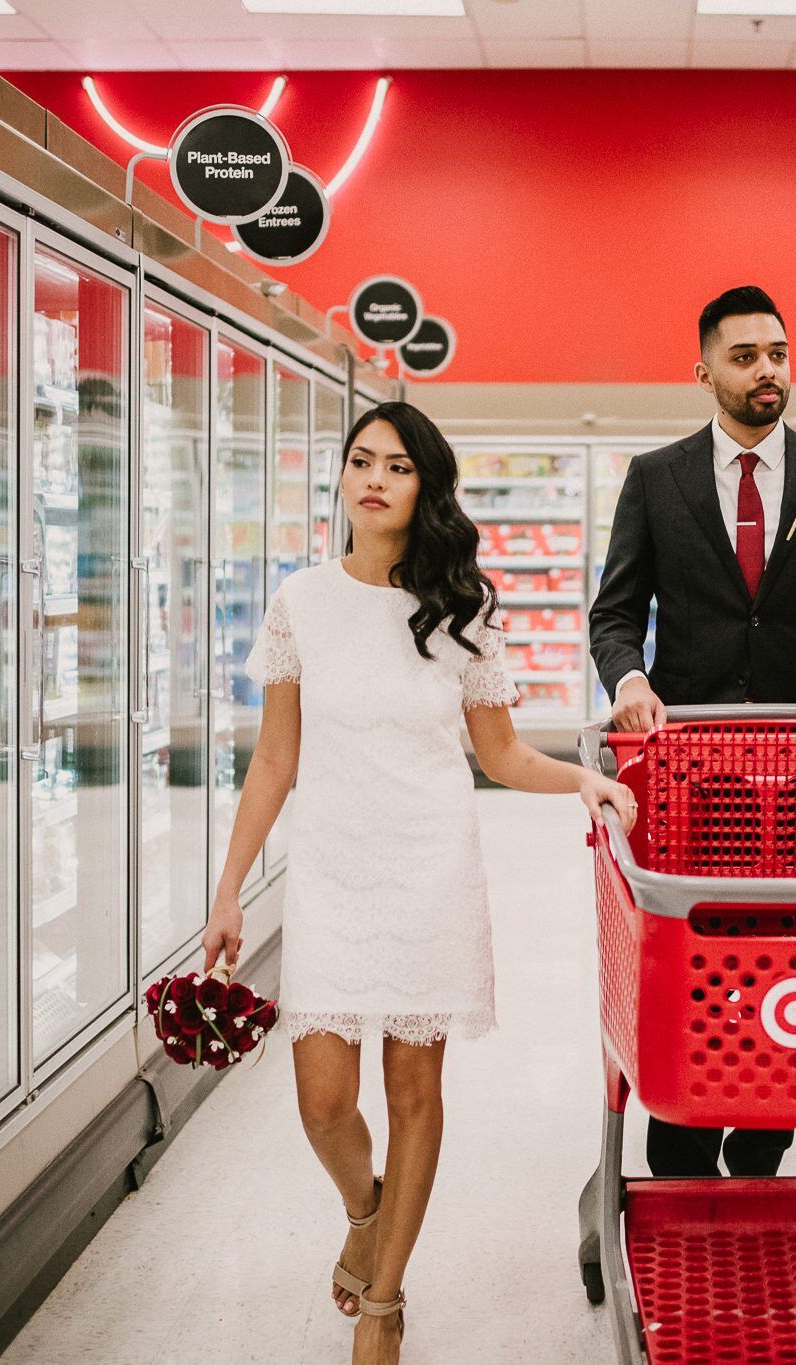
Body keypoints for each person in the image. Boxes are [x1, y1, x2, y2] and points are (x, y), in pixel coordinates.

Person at [201, 401, 636, 1365]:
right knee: (321, 1100)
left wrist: (585, 780)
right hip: (332, 871)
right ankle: (367, 1206)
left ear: (423, 488)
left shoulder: (463, 613)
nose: (374, 478)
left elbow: (504, 753)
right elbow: (274, 760)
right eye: (361, 461)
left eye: (397, 466)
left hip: (429, 865)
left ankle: (385, 1302)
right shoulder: (300, 602)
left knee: (413, 1090)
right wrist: (230, 887)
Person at [588, 284, 796, 1179]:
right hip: (690, 774)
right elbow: (614, 615)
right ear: (704, 373)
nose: (767, 370)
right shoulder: (655, 480)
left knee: (787, 947)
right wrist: (630, 681)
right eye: (745, 357)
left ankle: (766, 1129)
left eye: (777, 352)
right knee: (694, 949)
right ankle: (686, 1141)